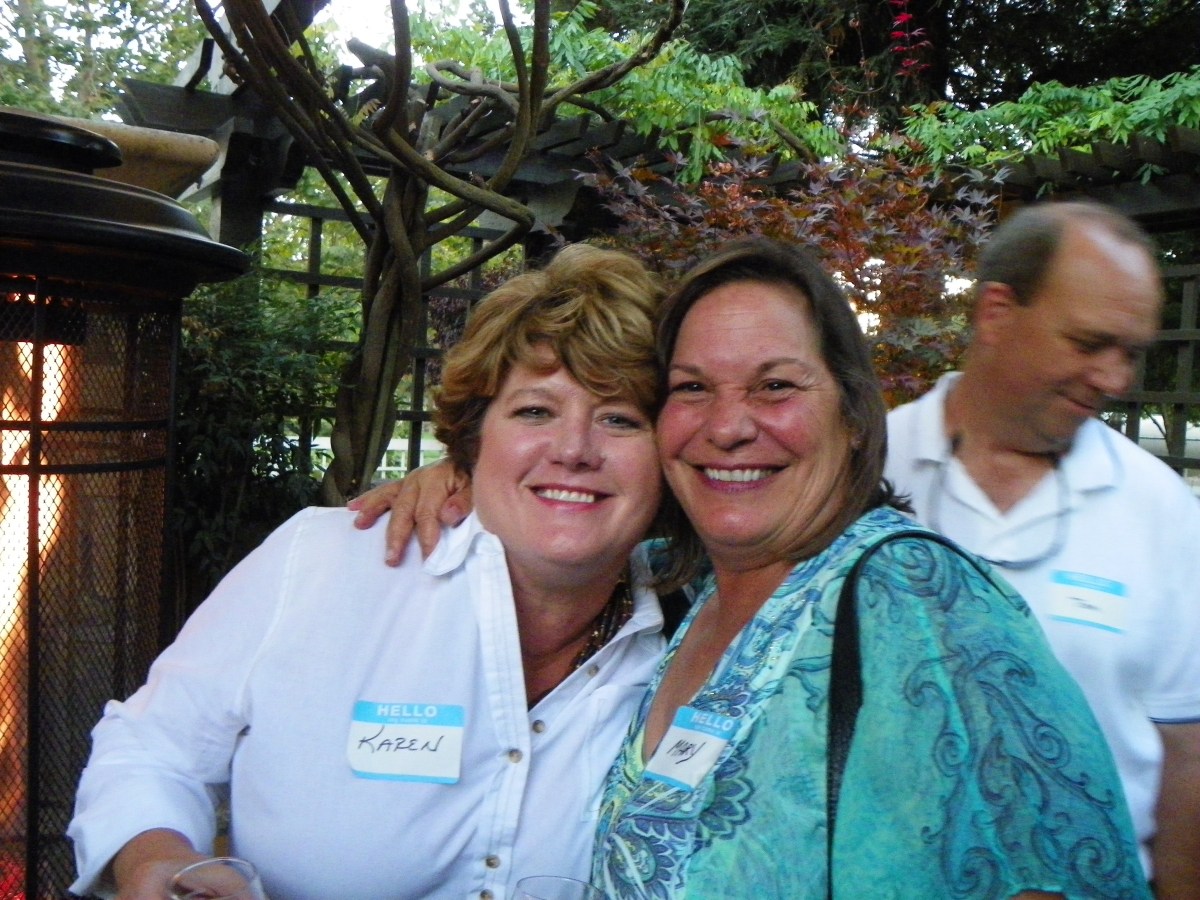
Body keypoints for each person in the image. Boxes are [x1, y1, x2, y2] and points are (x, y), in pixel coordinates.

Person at [355, 238, 1149, 898]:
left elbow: (1056, 868)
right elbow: (560, 515)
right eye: (692, 388)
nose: (729, 426)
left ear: (852, 410)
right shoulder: (677, 591)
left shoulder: (925, 602)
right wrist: (464, 475)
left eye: (774, 387)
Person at [67, 244, 671, 900]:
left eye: (620, 418)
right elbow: (153, 747)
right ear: (474, 440)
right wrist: (155, 860)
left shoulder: (697, 639)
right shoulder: (322, 564)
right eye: (535, 411)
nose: (574, 450)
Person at [885, 200, 1200, 896]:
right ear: (996, 313)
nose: (1115, 380)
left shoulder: (1162, 510)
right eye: (1089, 343)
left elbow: (1190, 756)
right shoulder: (870, 467)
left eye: (1130, 353)